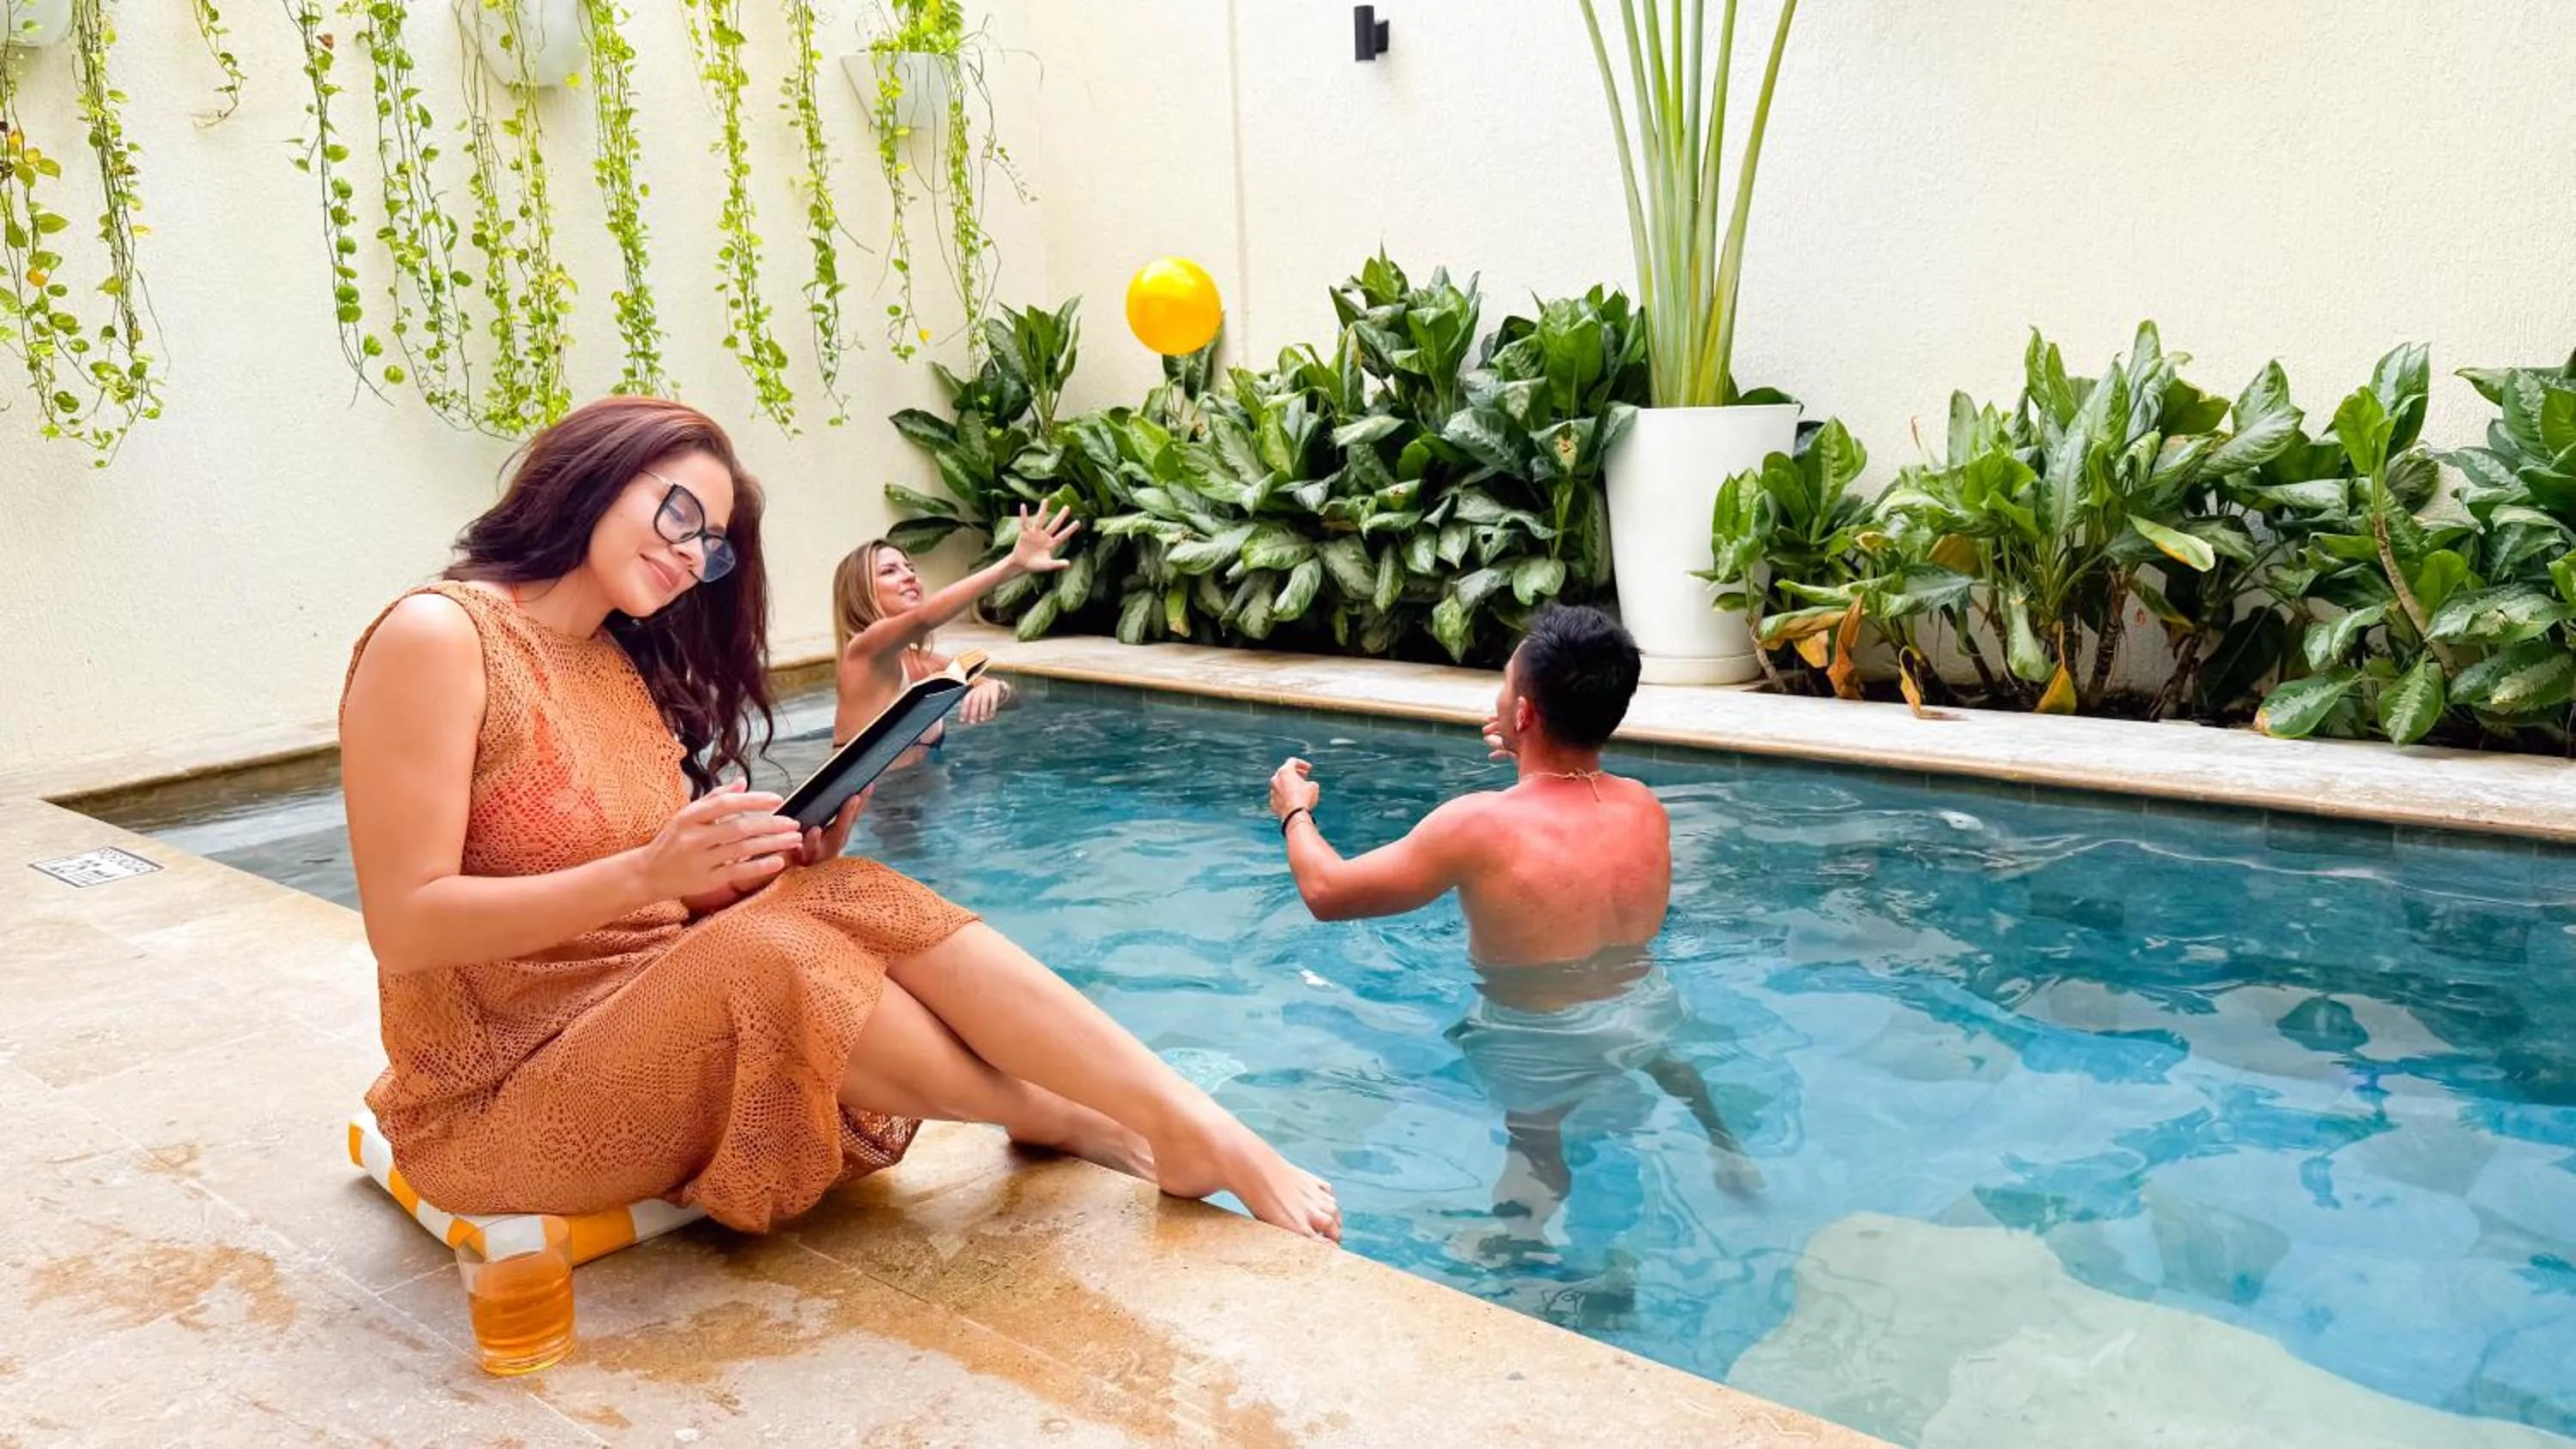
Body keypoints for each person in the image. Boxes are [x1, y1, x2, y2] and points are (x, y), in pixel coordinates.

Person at [339, 397, 1338, 1241]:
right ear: (595, 471)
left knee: (834, 888)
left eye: (710, 543)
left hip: (640, 1011)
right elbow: (407, 920)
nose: (691, 554)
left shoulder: (613, 663)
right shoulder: (440, 635)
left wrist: (742, 863)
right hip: (501, 1093)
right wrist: (649, 874)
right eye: (680, 513)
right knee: (767, 954)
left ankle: (1182, 1116)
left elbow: (649, 915)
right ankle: (1057, 1111)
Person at [1265, 603, 1752, 1233]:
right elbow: (1565, 798)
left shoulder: (1478, 825)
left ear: (1524, 712)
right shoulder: (1645, 807)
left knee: (1536, 1147)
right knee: (1649, 1054)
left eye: (1505, 687)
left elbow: (1327, 893)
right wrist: (1533, 753)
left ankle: (1516, 1265)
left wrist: (1294, 810)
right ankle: (1725, 1148)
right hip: (1644, 1005)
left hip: (1537, 1037)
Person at [829, 514, 1074, 753]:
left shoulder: (925, 664)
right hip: (873, 795)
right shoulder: (864, 652)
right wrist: (1011, 564)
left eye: (909, 567)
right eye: (889, 571)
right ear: (860, 591)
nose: (910, 576)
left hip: (925, 789)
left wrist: (994, 688)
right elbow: (924, 617)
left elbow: (1012, 700)